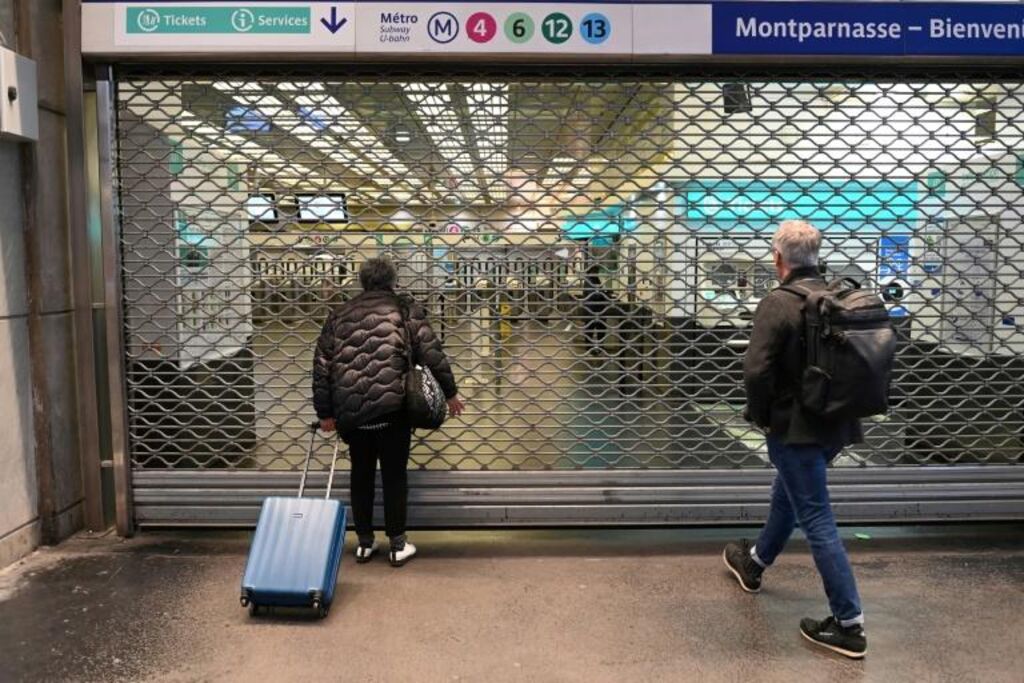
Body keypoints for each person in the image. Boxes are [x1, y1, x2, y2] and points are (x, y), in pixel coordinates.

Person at [722, 220, 867, 659]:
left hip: (795, 429)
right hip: (835, 425)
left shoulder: (778, 303)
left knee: (816, 517)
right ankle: (755, 563)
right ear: (816, 255)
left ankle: (849, 624)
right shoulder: (838, 298)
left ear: (778, 258)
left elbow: (756, 371)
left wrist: (762, 417)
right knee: (788, 494)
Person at [313, 257, 465, 567]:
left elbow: (321, 366)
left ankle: (364, 543)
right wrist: (450, 393)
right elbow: (431, 352)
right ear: (393, 281)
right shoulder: (404, 309)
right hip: (393, 408)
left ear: (362, 281)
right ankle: (397, 545)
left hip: (353, 412)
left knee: (361, 474)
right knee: (394, 476)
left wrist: (325, 413)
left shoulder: (339, 315)